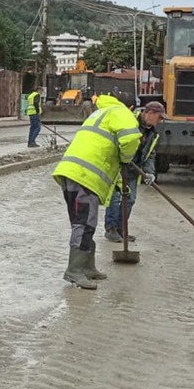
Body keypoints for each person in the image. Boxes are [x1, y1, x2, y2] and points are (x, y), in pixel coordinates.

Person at [50, 93, 142, 289]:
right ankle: (74, 270)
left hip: (73, 174)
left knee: (85, 223)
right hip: (84, 176)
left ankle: (88, 267)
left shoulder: (102, 112)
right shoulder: (122, 113)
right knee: (83, 224)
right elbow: (131, 138)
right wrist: (126, 158)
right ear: (132, 107)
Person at [103, 101, 165, 243]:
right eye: (159, 117)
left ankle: (121, 229)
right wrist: (123, 156)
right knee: (116, 197)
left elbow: (150, 154)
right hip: (118, 167)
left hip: (133, 170)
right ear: (149, 113)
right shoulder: (130, 122)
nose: (160, 121)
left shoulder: (153, 134)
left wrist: (150, 172)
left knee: (130, 199)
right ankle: (111, 229)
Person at [26, 83, 45, 147]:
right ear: (39, 90)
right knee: (37, 128)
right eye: (42, 91)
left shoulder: (31, 95)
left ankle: (30, 141)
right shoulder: (37, 95)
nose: (42, 93)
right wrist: (37, 111)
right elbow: (36, 103)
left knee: (32, 128)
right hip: (35, 113)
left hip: (30, 113)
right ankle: (32, 141)